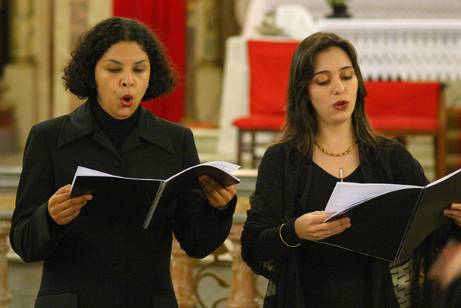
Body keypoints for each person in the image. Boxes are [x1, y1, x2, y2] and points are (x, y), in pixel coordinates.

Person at [9, 17, 237, 308]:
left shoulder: (176, 141)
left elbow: (196, 244)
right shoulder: (48, 138)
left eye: (139, 69)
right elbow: (24, 242)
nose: (128, 79)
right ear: (92, 73)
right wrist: (50, 217)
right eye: (114, 69)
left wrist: (218, 210)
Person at [240, 31, 461, 308]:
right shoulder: (281, 160)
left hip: (375, 299)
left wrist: (456, 220)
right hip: (304, 299)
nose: (338, 88)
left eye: (346, 76)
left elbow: (431, 234)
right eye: (323, 80)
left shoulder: (390, 157)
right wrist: (294, 231)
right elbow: (253, 244)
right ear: (304, 92)